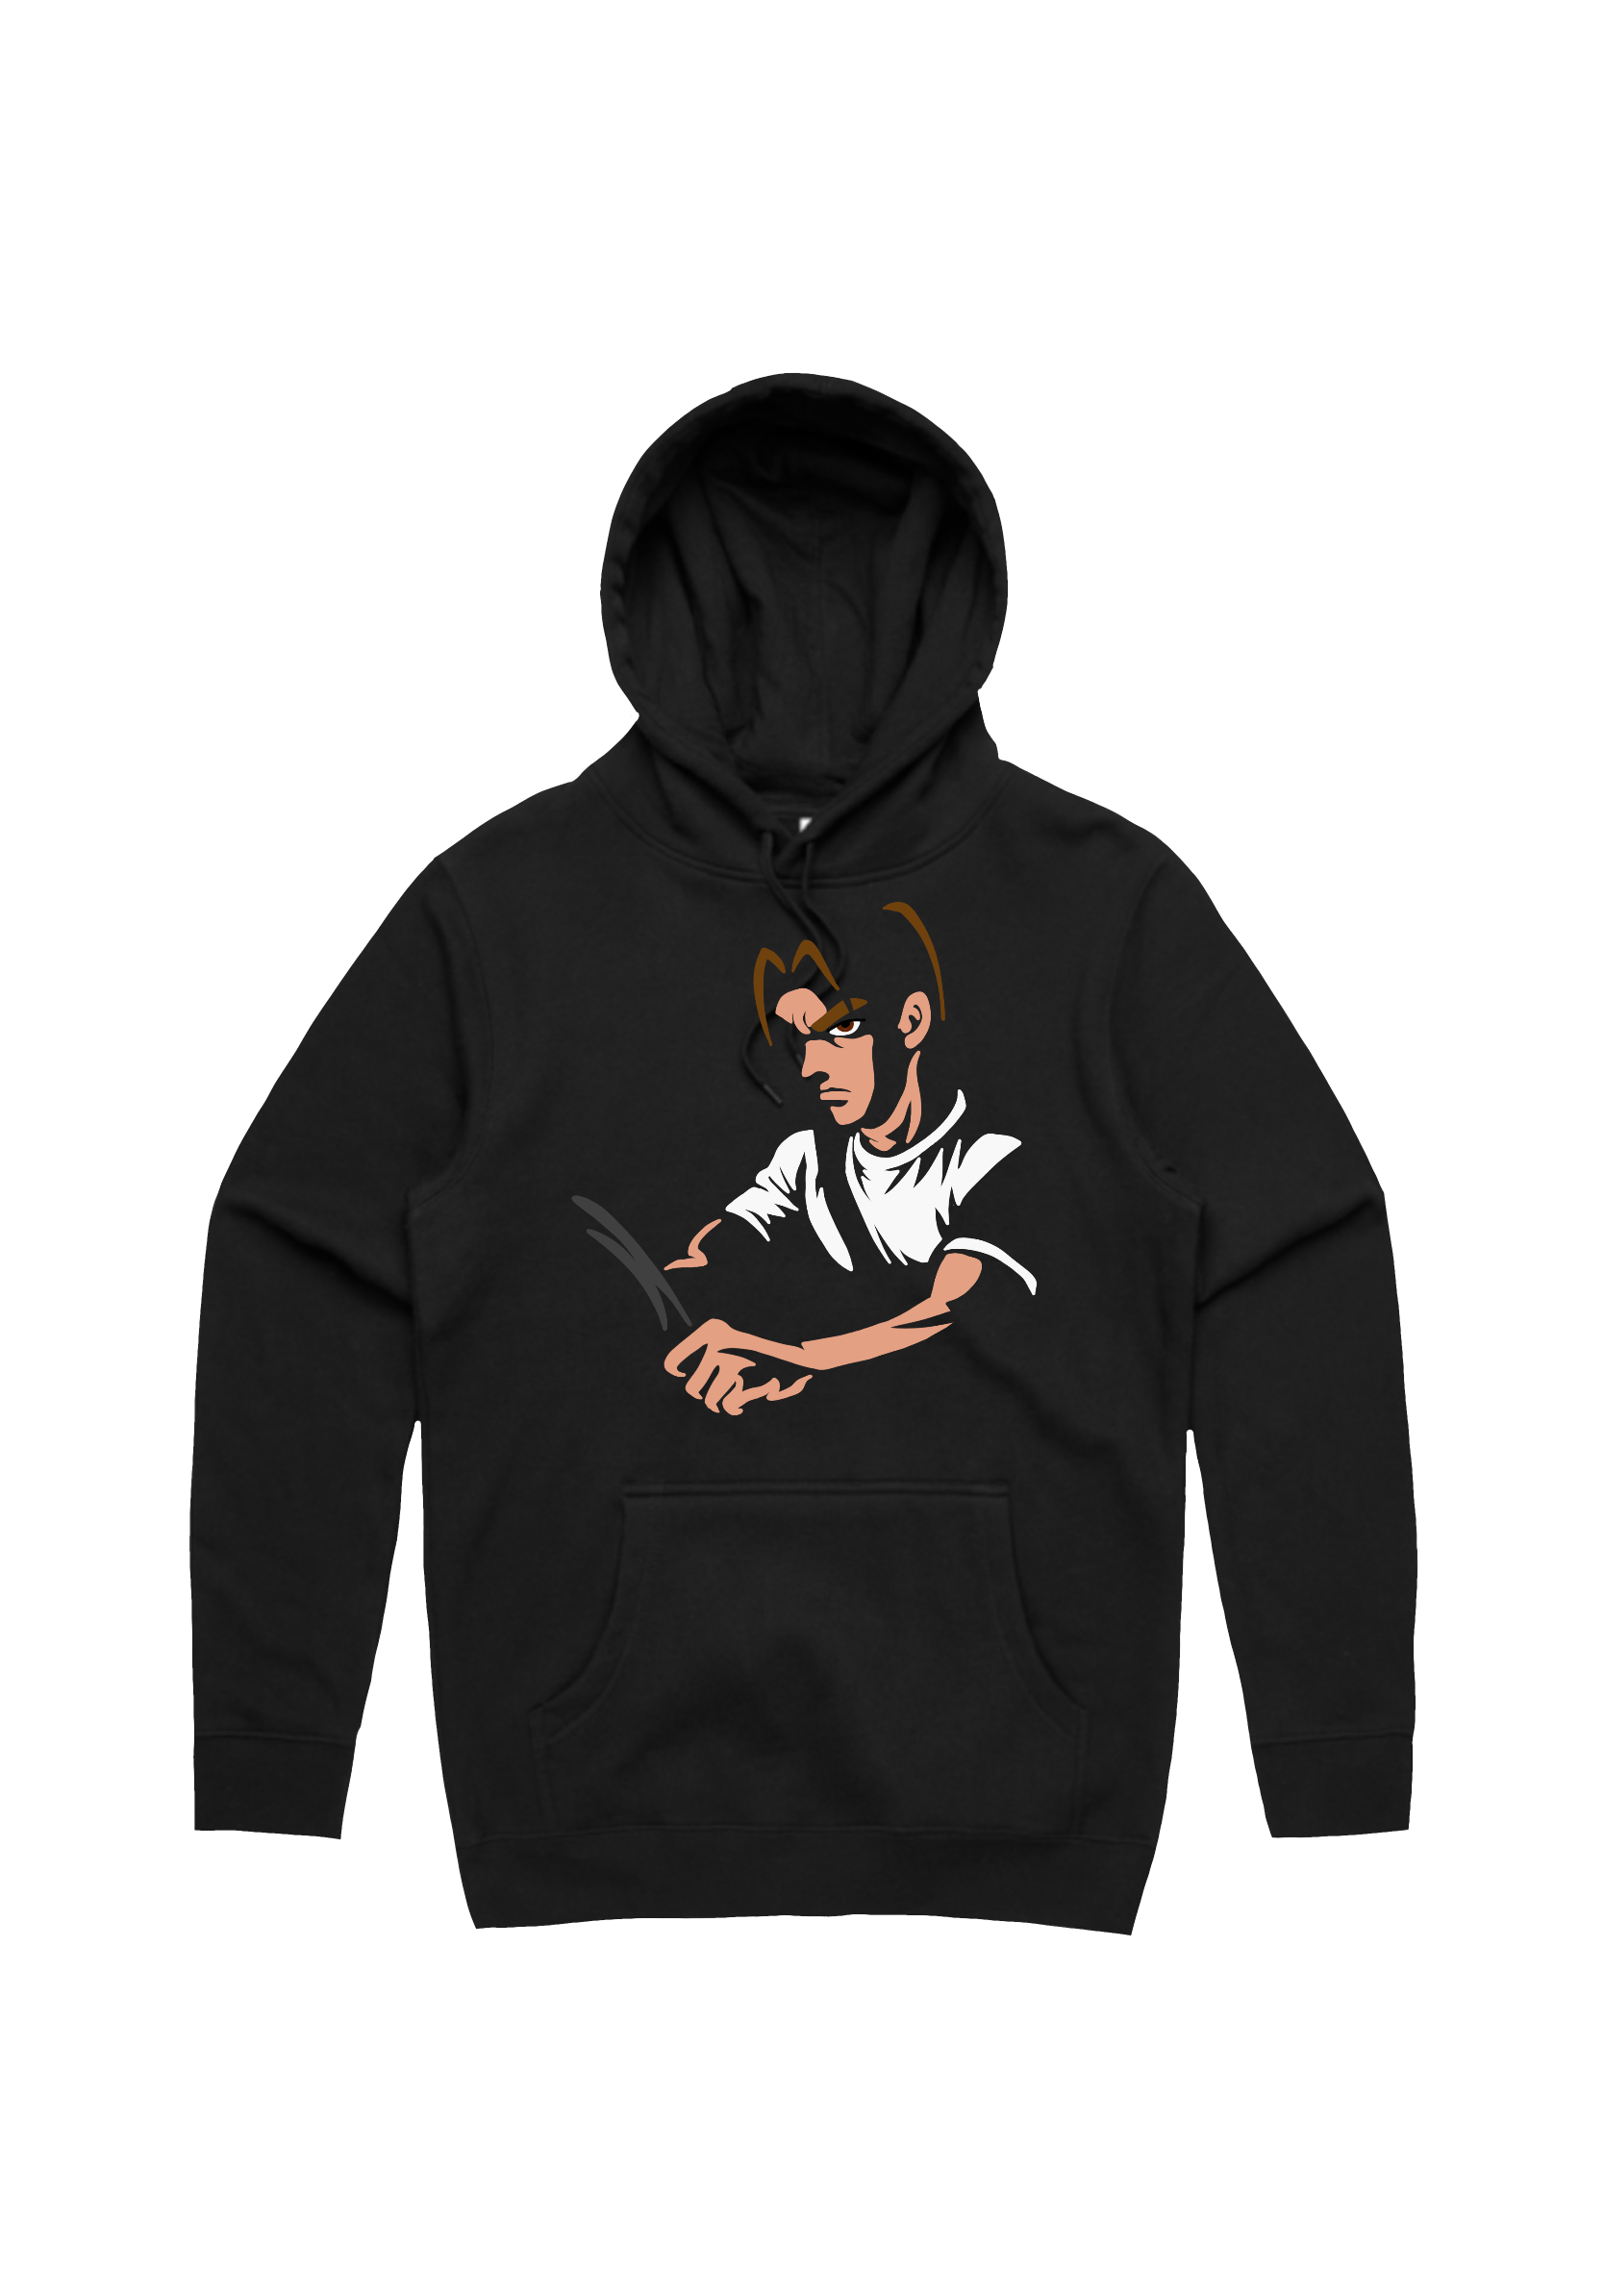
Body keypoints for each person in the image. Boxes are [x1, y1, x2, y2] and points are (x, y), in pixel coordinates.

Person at [663, 902, 1036, 1416]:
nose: (811, 1067)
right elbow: (726, 1244)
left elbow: (954, 1308)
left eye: (841, 1029)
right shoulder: (807, 1157)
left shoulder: (988, 1158)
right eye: (801, 1040)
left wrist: (803, 1359)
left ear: (912, 1021)